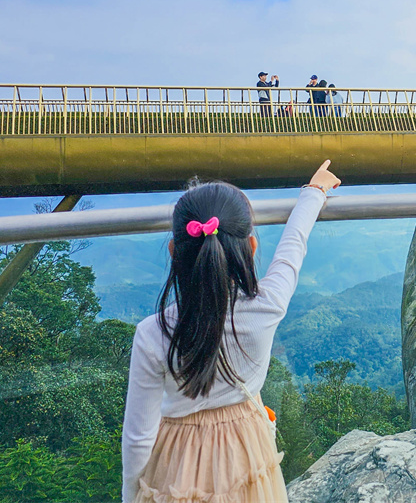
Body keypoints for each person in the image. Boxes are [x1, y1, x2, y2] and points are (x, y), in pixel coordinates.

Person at [122, 161, 341, 503]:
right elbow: (291, 249)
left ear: (173, 252)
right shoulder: (267, 307)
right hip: (246, 452)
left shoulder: (153, 332)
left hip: (177, 464)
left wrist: (131, 495)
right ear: (251, 248)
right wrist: (314, 193)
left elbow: (138, 439)